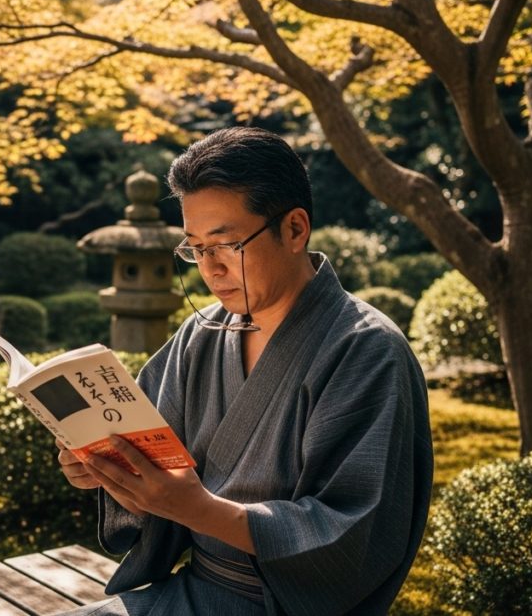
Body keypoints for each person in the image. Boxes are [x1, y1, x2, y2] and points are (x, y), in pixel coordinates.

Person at [55, 127, 434, 616]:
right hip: (194, 588)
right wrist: (100, 466)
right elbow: (145, 441)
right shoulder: (203, 333)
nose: (209, 269)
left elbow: (352, 535)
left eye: (226, 244)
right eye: (194, 248)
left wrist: (198, 509)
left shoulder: (366, 350)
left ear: (295, 229)